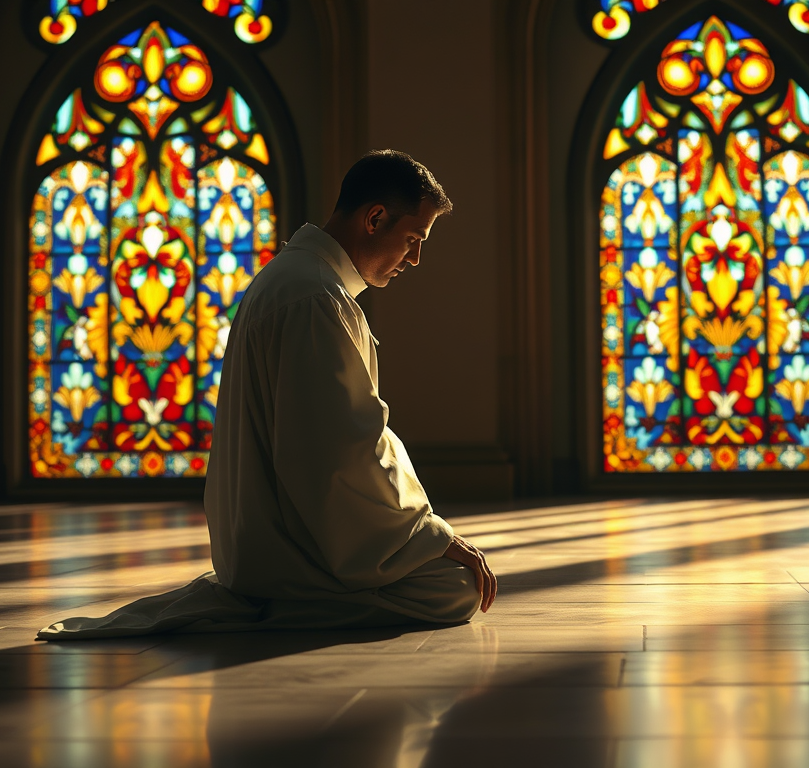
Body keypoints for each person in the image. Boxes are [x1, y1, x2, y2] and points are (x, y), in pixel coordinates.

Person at [38, 150, 496, 639]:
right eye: (412, 239)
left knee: (449, 579)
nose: (416, 258)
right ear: (375, 218)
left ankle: (265, 598)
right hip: (289, 548)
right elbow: (341, 453)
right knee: (454, 587)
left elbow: (339, 437)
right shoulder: (314, 297)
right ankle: (270, 608)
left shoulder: (301, 281)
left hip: (267, 537)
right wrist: (432, 536)